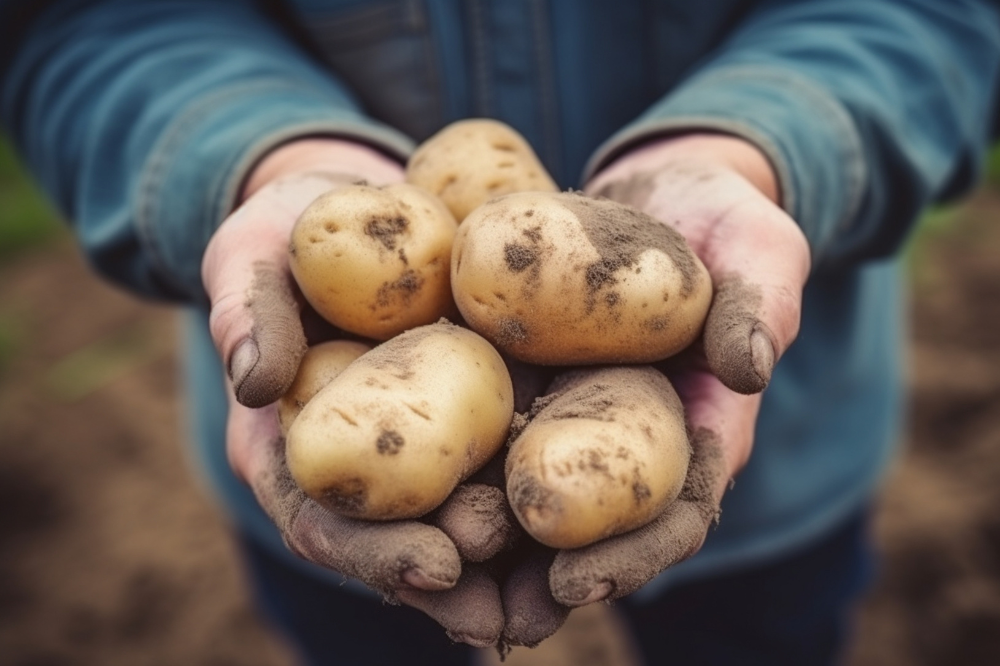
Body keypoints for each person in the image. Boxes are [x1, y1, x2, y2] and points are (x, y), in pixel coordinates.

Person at [2, 0, 998, 664]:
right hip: (334, 511)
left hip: (783, 457)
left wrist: (763, 143)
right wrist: (261, 160)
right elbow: (88, 23)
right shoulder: (414, 274)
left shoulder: (542, 266)